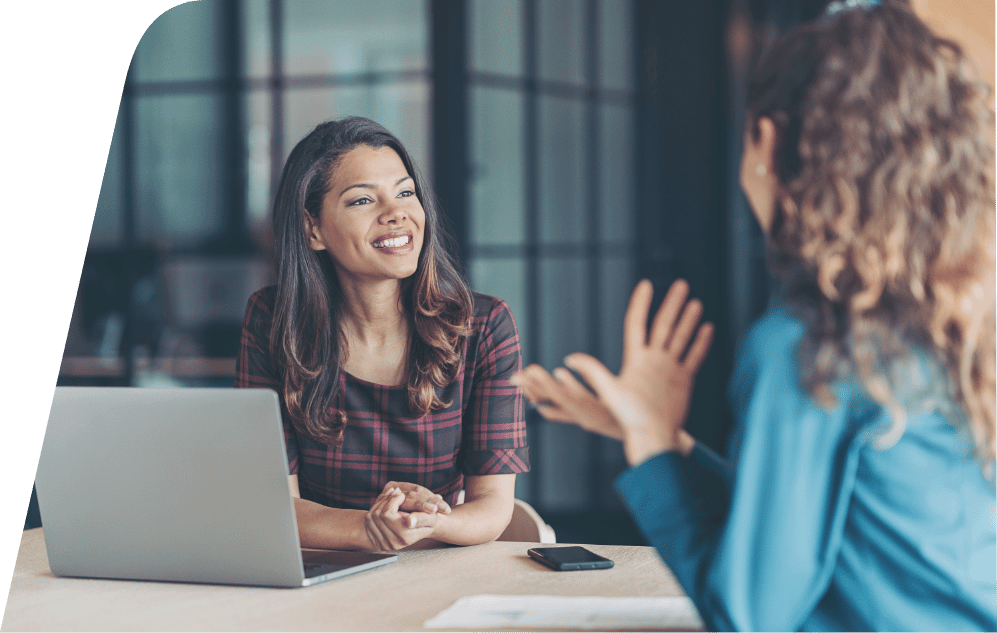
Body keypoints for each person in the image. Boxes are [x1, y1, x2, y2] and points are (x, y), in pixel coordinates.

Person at [512, 0, 996, 630]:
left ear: (765, 140)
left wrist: (655, 446)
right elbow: (829, 522)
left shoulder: (811, 346)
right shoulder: (956, 321)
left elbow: (749, 616)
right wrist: (666, 442)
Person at [236, 117, 529, 552]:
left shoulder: (484, 326)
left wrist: (425, 521)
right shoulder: (272, 322)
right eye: (362, 201)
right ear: (313, 229)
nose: (396, 213)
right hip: (324, 569)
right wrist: (369, 528)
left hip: (436, 564)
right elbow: (276, 502)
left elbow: (492, 505)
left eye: (406, 192)